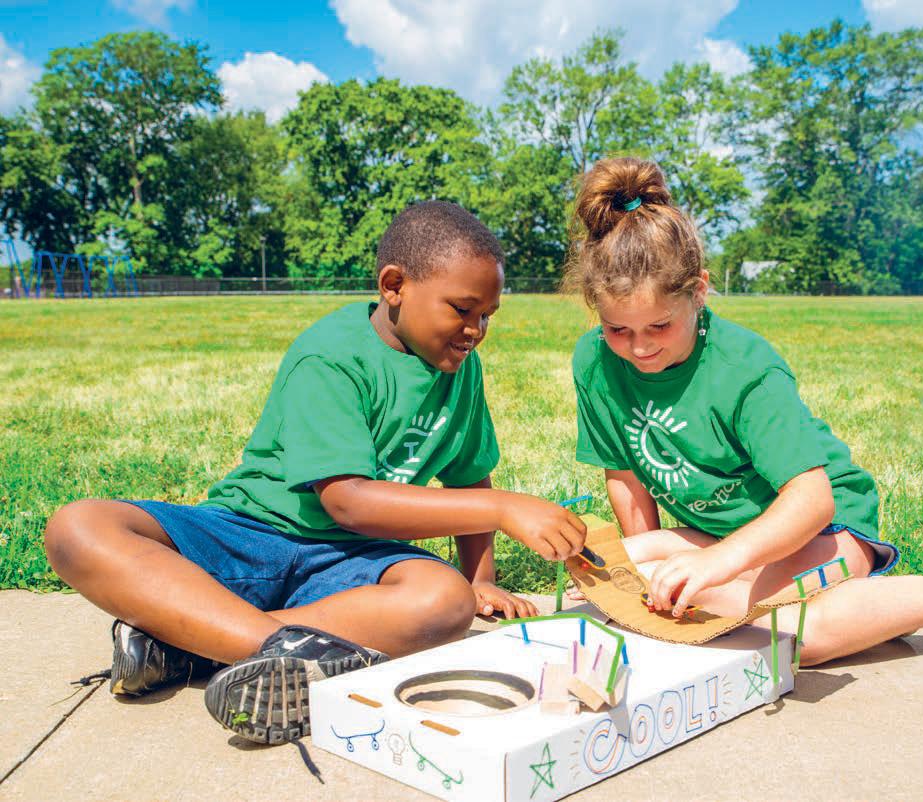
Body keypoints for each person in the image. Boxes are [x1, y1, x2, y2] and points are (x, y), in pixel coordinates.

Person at [45, 201, 588, 744]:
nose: (476, 330)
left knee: (445, 602)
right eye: (463, 309)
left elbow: (468, 477)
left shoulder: (460, 369)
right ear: (394, 286)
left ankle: (194, 646)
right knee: (78, 527)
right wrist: (504, 507)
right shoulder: (331, 356)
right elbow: (347, 501)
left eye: (487, 315)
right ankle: (275, 651)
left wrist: (479, 580)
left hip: (350, 562)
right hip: (249, 536)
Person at [564, 157, 923, 662]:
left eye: (659, 326)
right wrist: (644, 595)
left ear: (699, 291)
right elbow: (625, 475)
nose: (640, 347)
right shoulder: (595, 362)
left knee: (789, 635)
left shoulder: (745, 367)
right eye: (618, 330)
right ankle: (859, 613)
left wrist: (720, 563)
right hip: (729, 537)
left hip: (823, 528)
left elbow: (812, 500)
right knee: (630, 564)